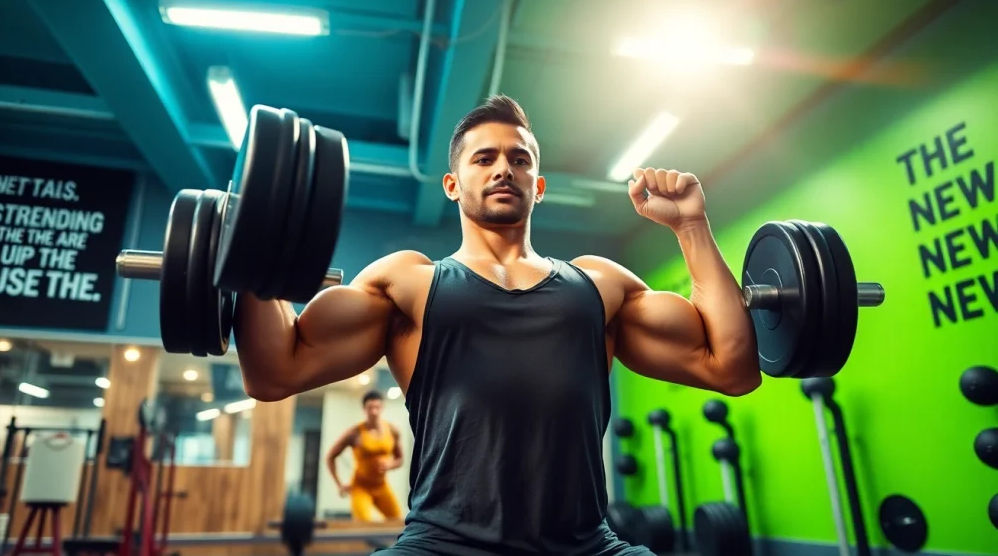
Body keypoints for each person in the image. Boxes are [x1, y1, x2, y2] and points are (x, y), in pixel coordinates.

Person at [234, 95, 761, 555]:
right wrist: (254, 240)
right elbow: (276, 371)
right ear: (452, 184)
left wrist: (691, 225)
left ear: (540, 185)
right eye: (483, 158)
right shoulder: (407, 283)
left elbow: (730, 368)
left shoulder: (599, 285)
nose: (503, 169)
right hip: (440, 547)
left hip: (587, 547)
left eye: (519, 159)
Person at [325, 389, 404, 522]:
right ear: (364, 409)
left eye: (377, 407)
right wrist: (339, 484)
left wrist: (390, 465)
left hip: (382, 486)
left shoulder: (392, 430)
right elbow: (330, 457)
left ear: (382, 408)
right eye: (370, 408)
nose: (374, 412)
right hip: (360, 488)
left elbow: (400, 459)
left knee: (398, 523)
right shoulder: (354, 433)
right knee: (364, 526)